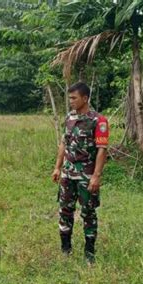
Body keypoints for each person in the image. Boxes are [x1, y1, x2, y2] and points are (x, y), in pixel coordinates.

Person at [52, 82, 109, 265]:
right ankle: (65, 249)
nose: (71, 101)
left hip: (86, 176)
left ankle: (89, 252)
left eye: (74, 98)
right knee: (65, 211)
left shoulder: (98, 121)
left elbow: (102, 149)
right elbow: (64, 143)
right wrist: (57, 167)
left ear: (85, 98)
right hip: (68, 175)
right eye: (69, 98)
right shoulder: (69, 117)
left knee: (88, 213)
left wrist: (96, 176)